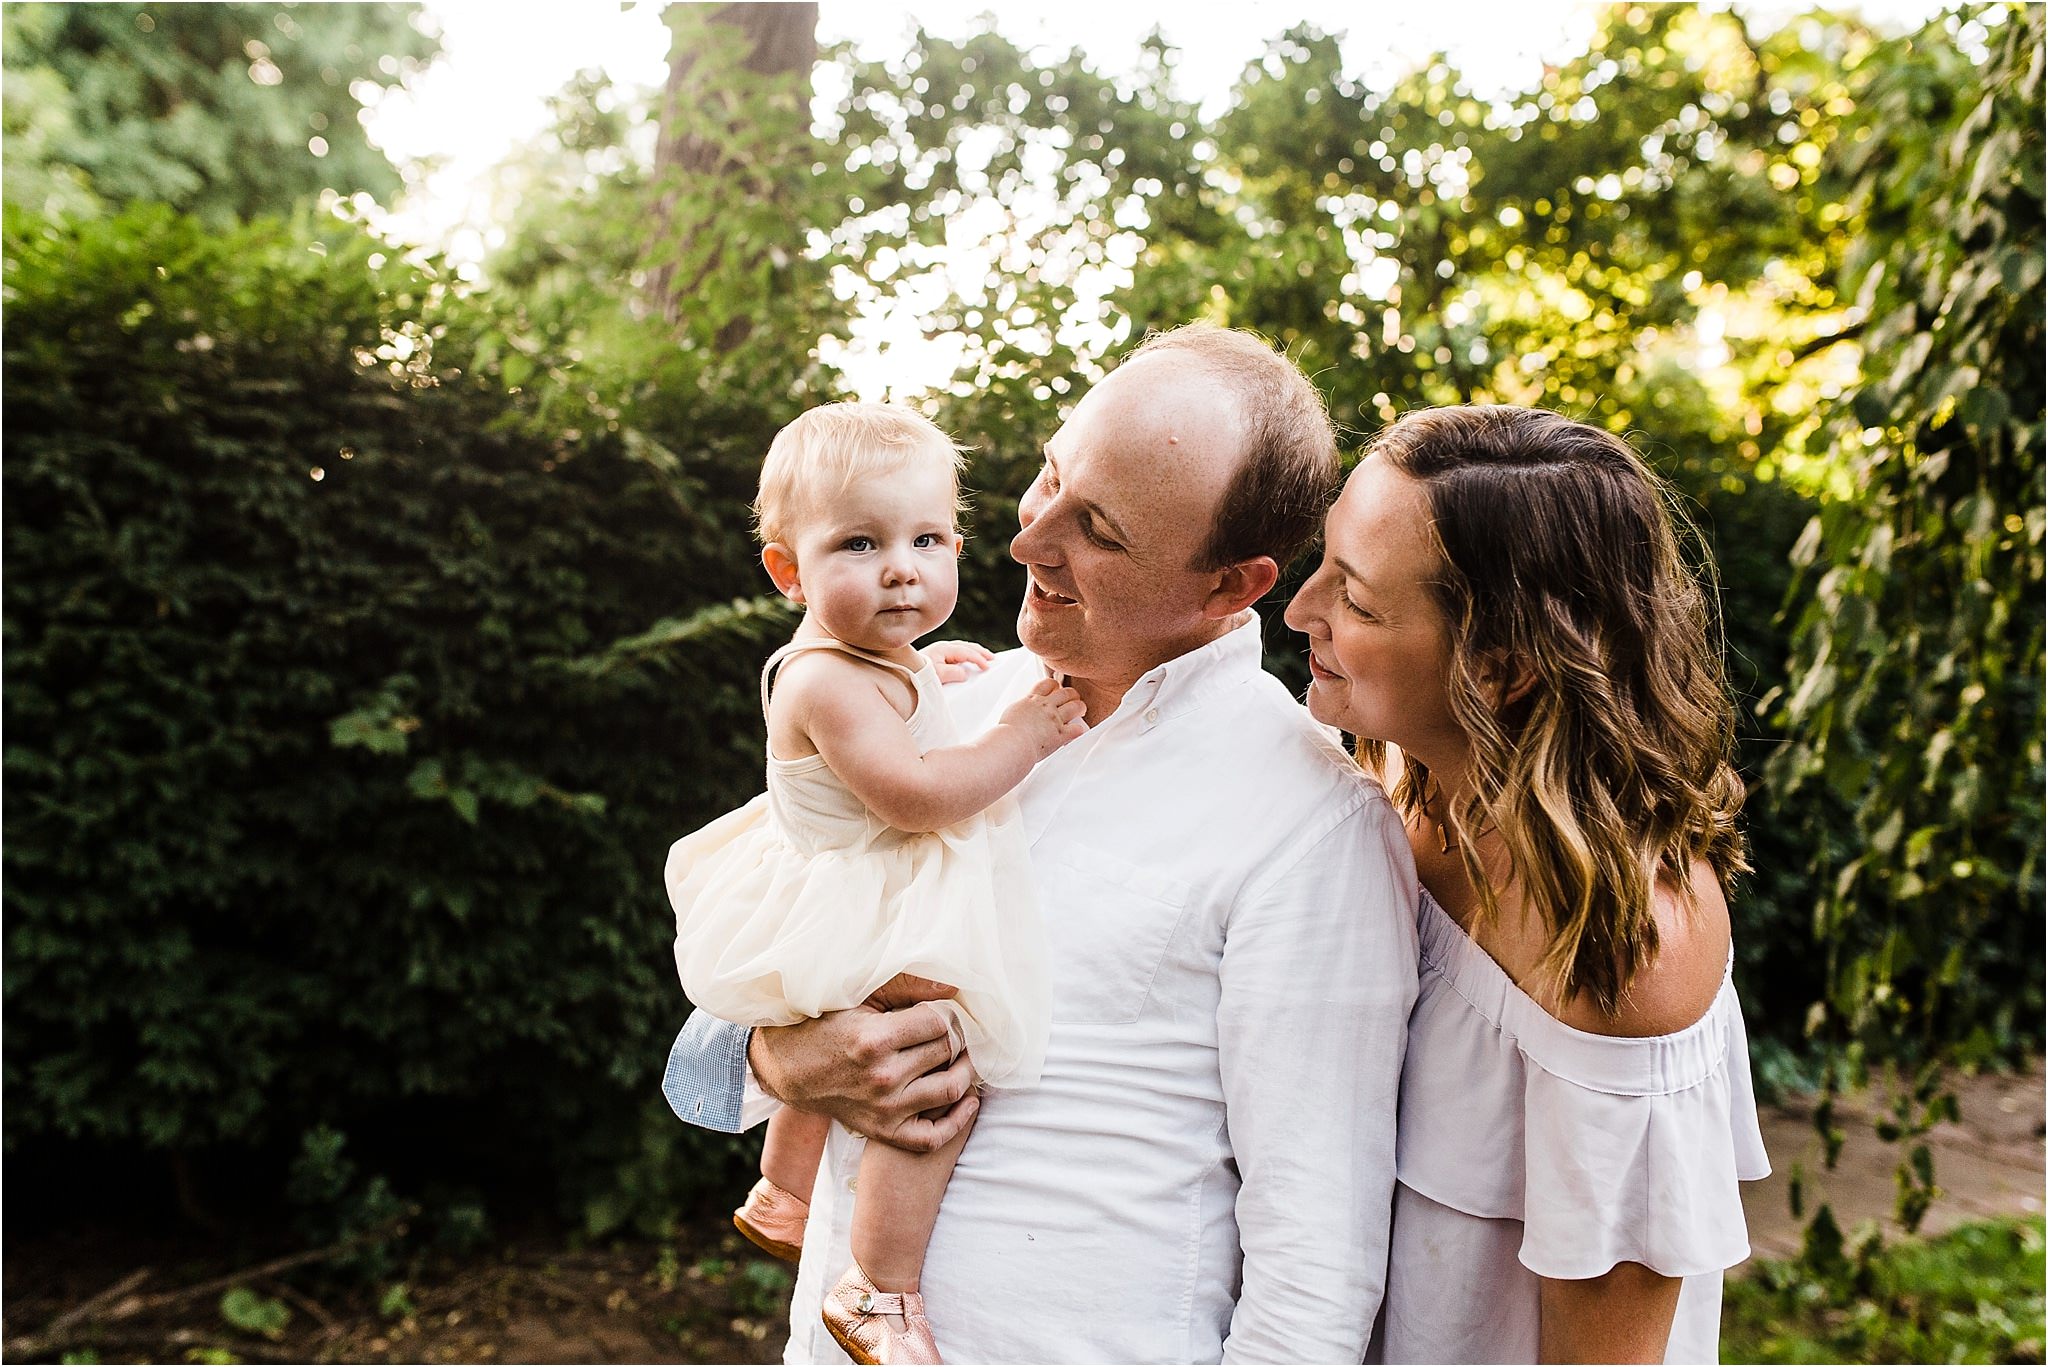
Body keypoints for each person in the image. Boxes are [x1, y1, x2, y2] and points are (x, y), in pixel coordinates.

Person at [665, 324, 1419, 1363]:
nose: (1027, 540)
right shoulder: (947, 706)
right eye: (1047, 476)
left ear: (1229, 586)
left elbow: (1315, 1263)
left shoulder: (1309, 825)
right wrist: (781, 1058)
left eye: (1097, 527)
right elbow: (742, 979)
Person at [1283, 405, 1770, 1364]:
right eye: (1324, 564)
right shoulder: (1393, 776)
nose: (1301, 611)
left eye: (1359, 602)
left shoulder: (1619, 944)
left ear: (1498, 667)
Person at [666, 403, 1088, 1363]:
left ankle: (783, 1189)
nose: (902, 565)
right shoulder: (824, 681)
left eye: (927, 538)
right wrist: (1016, 736)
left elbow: (886, 697)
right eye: (861, 542)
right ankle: (881, 1289)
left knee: (876, 1017)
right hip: (859, 880)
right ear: (788, 570)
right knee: (933, 1058)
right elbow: (913, 793)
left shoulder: (870, 660)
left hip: (846, 884)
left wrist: (924, 673)